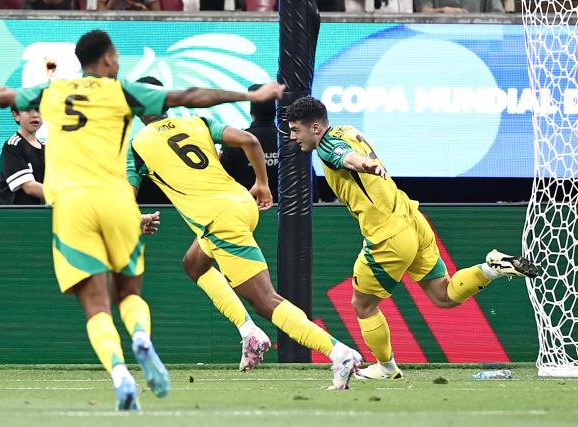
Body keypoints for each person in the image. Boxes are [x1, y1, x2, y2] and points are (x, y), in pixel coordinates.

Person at [0, 29, 285, 410]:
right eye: (116, 55)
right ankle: (140, 336)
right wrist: (250, 96)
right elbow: (190, 96)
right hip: (117, 200)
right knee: (130, 294)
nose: (118, 61)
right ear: (106, 60)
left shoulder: (50, 93)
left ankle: (120, 372)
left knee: (96, 306)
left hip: (72, 206)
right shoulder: (125, 92)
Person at [127, 78, 363, 390]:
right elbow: (250, 140)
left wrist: (137, 219)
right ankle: (249, 332)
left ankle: (339, 352)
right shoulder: (197, 121)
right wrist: (262, 184)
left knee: (266, 300)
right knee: (194, 264)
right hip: (242, 203)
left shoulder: (137, 145)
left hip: (218, 220)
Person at [286, 96, 538, 380]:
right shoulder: (346, 129)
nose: (293, 137)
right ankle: (492, 268)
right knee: (443, 295)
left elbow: (346, 157)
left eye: (296, 130)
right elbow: (350, 153)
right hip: (412, 220)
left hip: (387, 235)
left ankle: (386, 367)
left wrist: (363, 165)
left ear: (316, 128)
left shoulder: (329, 146)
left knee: (362, 305)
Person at [220, 84, 278, 202]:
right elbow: (309, 186)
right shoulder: (292, 142)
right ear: (276, 111)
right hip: (286, 215)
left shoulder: (234, 142)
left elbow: (220, 184)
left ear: (251, 111)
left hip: (242, 211)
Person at [0, 106, 45, 205]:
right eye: (27, 111)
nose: (35, 115)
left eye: (39, 110)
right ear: (16, 115)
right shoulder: (12, 146)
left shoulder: (46, 147)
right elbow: (29, 187)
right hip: (17, 217)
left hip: (40, 216)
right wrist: (63, 197)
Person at [415, 0, 504, 13]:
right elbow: (423, 10)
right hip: (439, 41)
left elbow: (498, 13)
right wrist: (442, 11)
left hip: (476, 44)